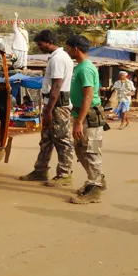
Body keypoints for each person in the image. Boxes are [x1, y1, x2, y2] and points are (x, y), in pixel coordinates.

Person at [20, 30, 74, 187]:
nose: (39, 47)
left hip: (57, 105)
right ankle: (40, 170)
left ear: (49, 42)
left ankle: (65, 174)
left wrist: (49, 109)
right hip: (52, 103)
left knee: (62, 140)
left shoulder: (58, 59)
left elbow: (57, 85)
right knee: (46, 140)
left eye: (40, 44)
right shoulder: (57, 57)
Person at [65, 35, 106, 204]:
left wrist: (79, 122)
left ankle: (94, 188)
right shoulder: (79, 67)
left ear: (76, 48)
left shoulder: (86, 69)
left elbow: (88, 97)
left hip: (90, 118)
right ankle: (95, 180)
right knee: (81, 150)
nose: (67, 51)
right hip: (80, 115)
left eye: (68, 48)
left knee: (92, 151)